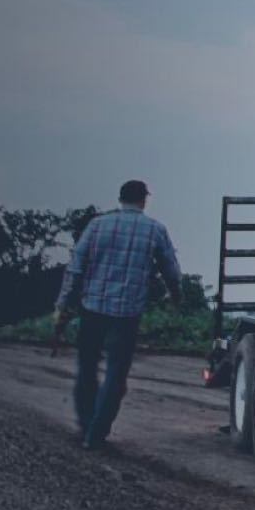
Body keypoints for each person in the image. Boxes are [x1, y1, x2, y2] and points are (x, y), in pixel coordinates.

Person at [53, 180, 182, 449]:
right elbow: (171, 269)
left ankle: (87, 424)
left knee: (87, 370)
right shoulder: (155, 230)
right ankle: (97, 433)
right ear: (144, 200)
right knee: (116, 375)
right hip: (127, 314)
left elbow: (75, 268)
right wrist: (176, 297)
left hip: (93, 309)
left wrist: (62, 305)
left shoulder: (97, 225)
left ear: (120, 198)